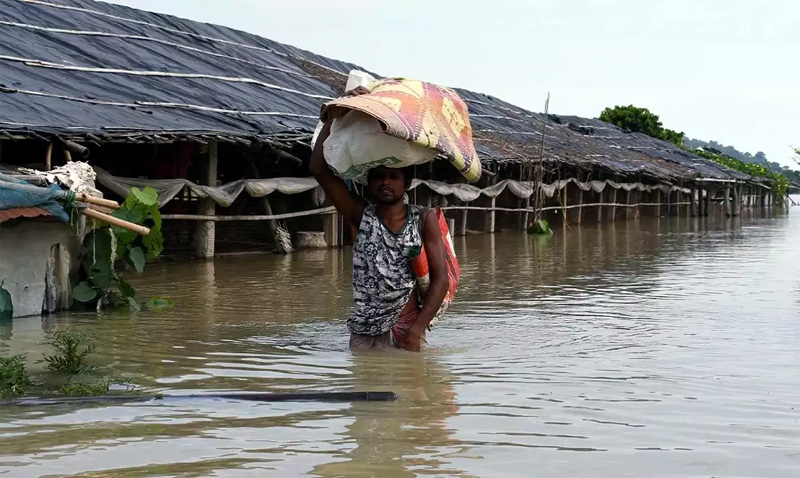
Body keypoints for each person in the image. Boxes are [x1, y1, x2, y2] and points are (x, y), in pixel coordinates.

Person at [310, 88, 449, 352]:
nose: (386, 182)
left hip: (406, 327)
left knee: (407, 392)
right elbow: (319, 169)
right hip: (363, 330)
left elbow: (440, 279)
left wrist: (416, 330)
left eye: (394, 176)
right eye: (379, 176)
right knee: (362, 389)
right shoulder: (360, 215)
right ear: (369, 182)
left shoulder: (423, 219)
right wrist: (335, 115)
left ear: (406, 183)